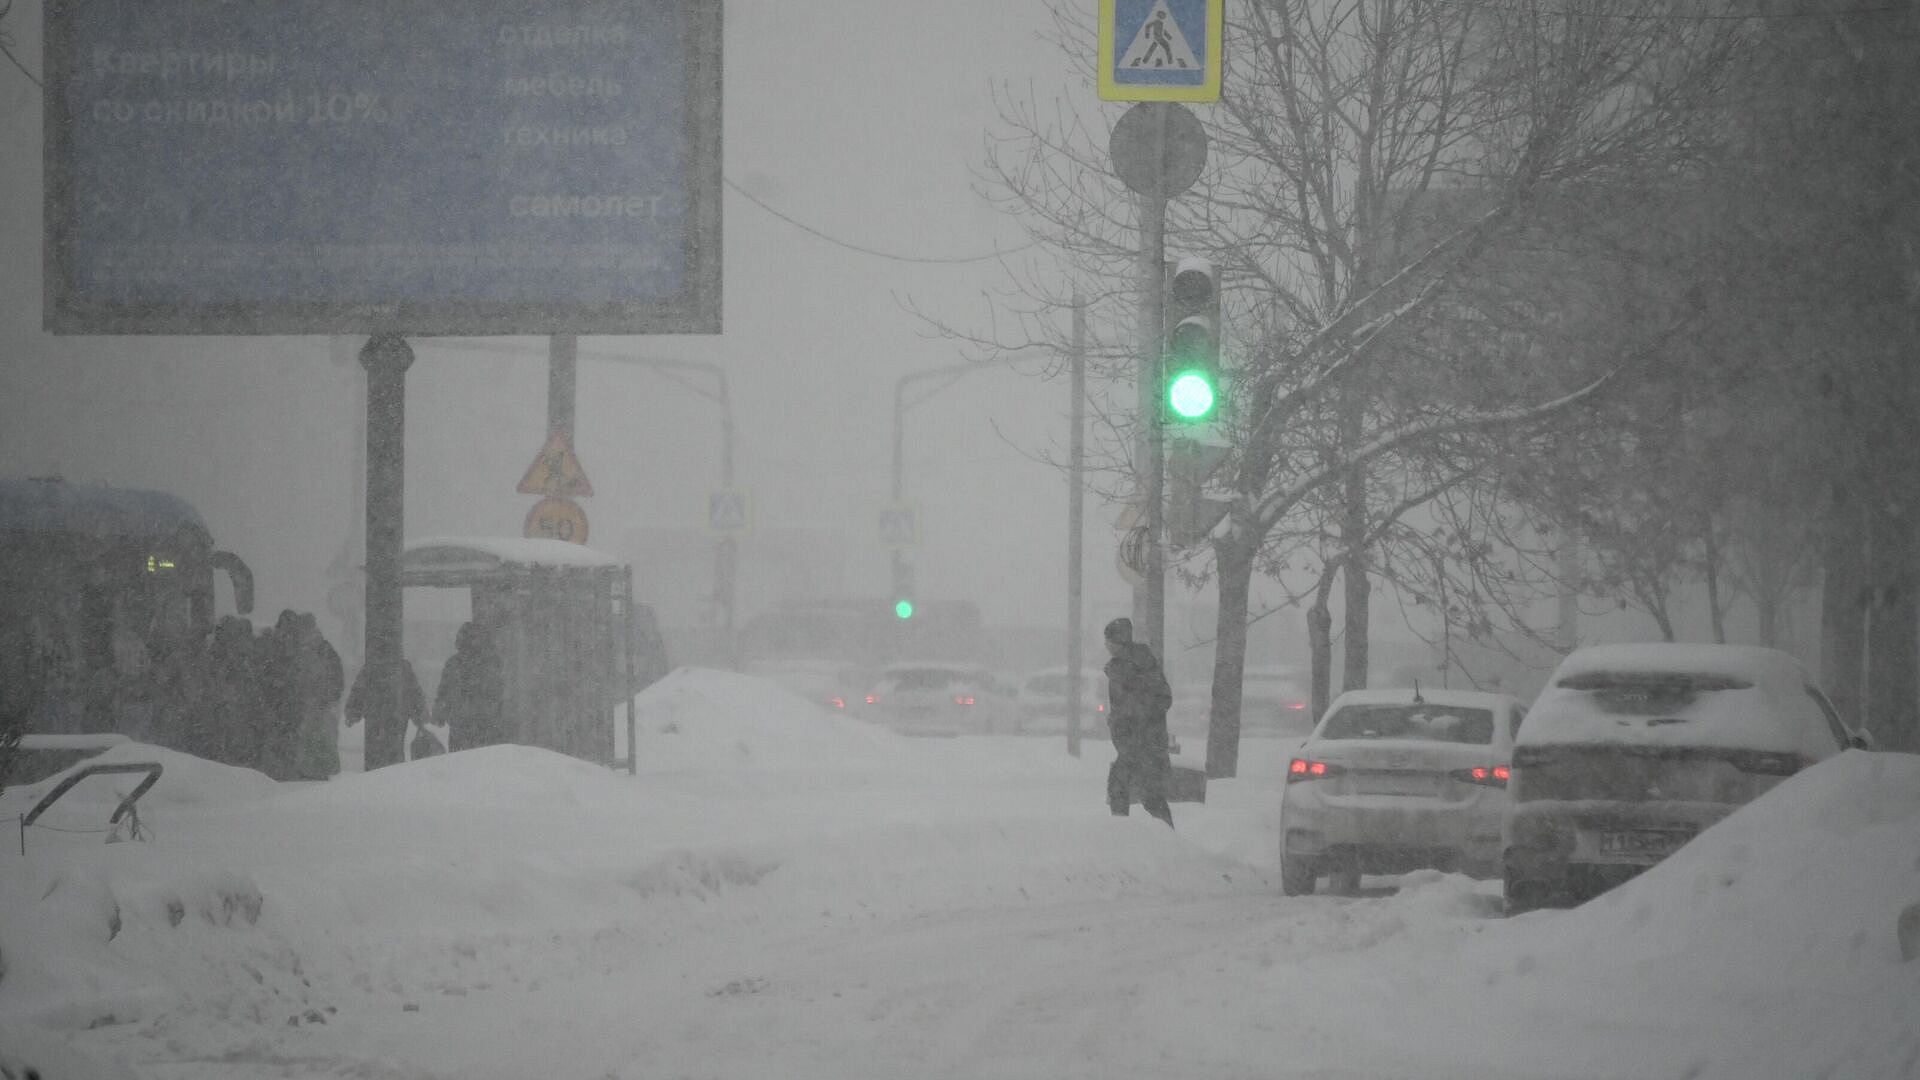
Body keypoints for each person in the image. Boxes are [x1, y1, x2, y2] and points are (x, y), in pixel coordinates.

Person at [1102, 616, 1174, 827]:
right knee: (1127, 789)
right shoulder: (1123, 665)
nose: (1106, 645)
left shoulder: (1140, 664)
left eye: (1108, 640)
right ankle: (1129, 833)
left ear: (1117, 642)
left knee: (1137, 792)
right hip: (1134, 742)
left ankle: (1131, 834)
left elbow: (1162, 698)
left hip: (1143, 742)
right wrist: (1118, 718)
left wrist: (1128, 714)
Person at [345, 657, 428, 770]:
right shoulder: (402, 667)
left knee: (376, 753)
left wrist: (353, 712)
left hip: (376, 716)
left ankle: (376, 776)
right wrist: (419, 717)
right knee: (394, 752)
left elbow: (358, 691)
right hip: (396, 717)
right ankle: (391, 775)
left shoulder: (371, 666)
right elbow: (414, 693)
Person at [438, 621, 506, 752]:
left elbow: (443, 692)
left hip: (462, 726)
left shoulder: (453, 663)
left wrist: (441, 712)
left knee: (462, 762)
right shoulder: (491, 663)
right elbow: (498, 693)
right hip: (483, 725)